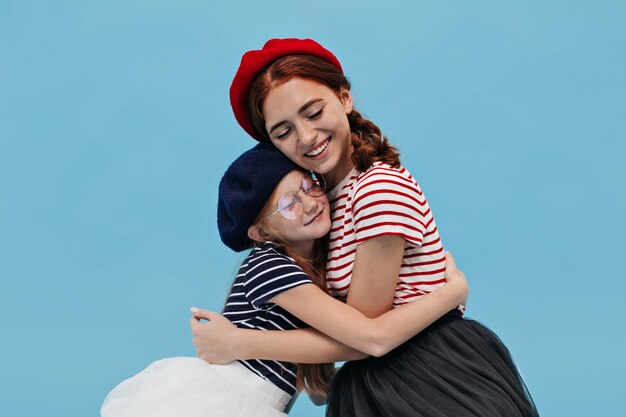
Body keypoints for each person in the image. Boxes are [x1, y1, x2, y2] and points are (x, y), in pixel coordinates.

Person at [191, 38, 539, 416]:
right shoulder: (323, 203)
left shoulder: (376, 189)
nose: (306, 137)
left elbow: (367, 336)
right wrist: (450, 292)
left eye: (313, 112)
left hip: (427, 374)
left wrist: (241, 343)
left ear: (344, 99)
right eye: (283, 131)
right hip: (382, 377)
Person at [101, 141, 468, 417]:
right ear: (260, 232)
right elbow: (364, 340)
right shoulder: (269, 265)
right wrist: (448, 295)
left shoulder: (319, 268)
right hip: (226, 398)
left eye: (308, 185)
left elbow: (331, 363)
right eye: (288, 204)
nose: (309, 203)